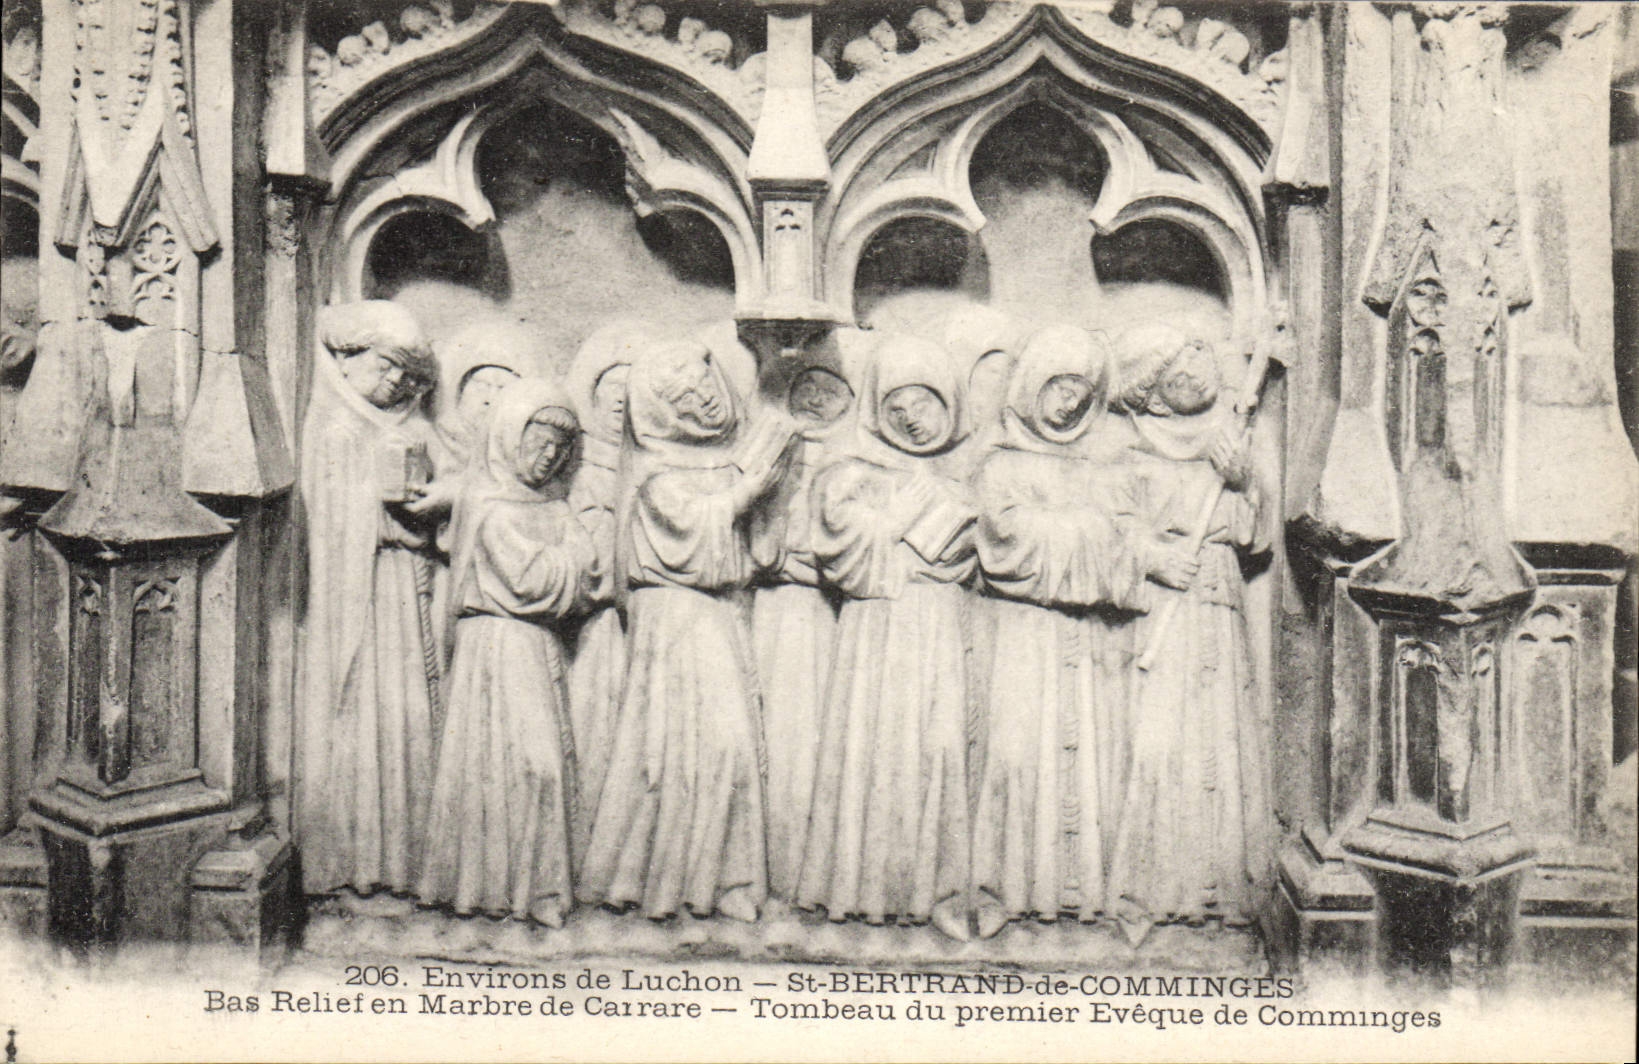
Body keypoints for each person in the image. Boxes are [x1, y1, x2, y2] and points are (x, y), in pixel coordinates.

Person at [969, 324, 1194, 938]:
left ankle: (1089, 897)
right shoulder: (1001, 465)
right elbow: (1006, 542)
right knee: (1016, 756)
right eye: (1058, 387)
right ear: (1029, 387)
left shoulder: (1104, 467)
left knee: (1098, 759)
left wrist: (1131, 549)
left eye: (1080, 391)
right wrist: (1096, 537)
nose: (1068, 402)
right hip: (1023, 633)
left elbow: (1128, 534)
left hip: (1094, 639)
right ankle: (1002, 894)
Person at [578, 338, 795, 922]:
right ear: (660, 413)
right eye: (685, 399)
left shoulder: (722, 461)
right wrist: (749, 488)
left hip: (718, 614)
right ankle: (668, 879)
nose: (704, 402)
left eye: (706, 387)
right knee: (683, 747)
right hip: (677, 620)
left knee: (730, 745)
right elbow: (694, 535)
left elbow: (753, 550)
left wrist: (759, 488)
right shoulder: (655, 473)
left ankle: (728, 879)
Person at [797, 335, 979, 941]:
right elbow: (837, 543)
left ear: (949, 403)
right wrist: (899, 527)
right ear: (877, 409)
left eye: (923, 403)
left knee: (941, 748)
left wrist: (932, 544)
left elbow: (970, 554)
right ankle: (858, 891)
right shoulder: (849, 469)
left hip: (937, 625)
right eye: (897, 406)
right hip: (877, 632)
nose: (910, 417)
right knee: (870, 752)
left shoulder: (962, 476)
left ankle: (941, 893)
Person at [1104, 322, 1273, 946]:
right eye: (1177, 373)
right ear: (1152, 397)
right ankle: (1146, 893)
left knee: (1221, 743)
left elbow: (1253, 539)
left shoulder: (1229, 448)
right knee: (1158, 744)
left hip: (1218, 607)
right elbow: (1115, 531)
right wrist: (1152, 556)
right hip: (1160, 614)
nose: (1196, 375)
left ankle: (1222, 894)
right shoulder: (1133, 460)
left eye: (1199, 359)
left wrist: (1243, 483)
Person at [417, 378, 594, 928]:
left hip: (534, 646)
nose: (547, 458)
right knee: (516, 767)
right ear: (506, 440)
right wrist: (568, 561)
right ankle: (490, 887)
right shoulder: (492, 510)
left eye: (559, 451)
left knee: (538, 770)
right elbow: (536, 580)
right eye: (537, 444)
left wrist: (570, 566)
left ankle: (534, 891)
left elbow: (584, 577)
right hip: (495, 645)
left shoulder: (552, 506)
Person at [295, 300, 443, 896]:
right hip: (356, 598)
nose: (396, 384)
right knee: (362, 711)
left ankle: (405, 860)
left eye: (408, 377)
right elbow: (330, 526)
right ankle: (354, 860)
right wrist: (386, 516)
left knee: (407, 712)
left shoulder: (414, 430)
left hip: (402, 591)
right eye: (387, 368)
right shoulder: (334, 430)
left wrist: (425, 509)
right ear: (350, 357)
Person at [749, 364, 855, 902]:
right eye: (806, 391)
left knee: (821, 742)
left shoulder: (853, 465)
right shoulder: (775, 458)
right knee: (775, 738)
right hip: (774, 616)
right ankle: (771, 870)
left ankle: (813, 874)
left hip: (826, 618)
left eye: (829, 391)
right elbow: (761, 549)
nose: (816, 401)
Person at [561, 323, 641, 867]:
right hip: (596, 628)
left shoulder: (655, 462)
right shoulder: (576, 467)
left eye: (632, 393)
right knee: (593, 728)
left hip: (649, 626)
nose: (620, 403)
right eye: (609, 391)